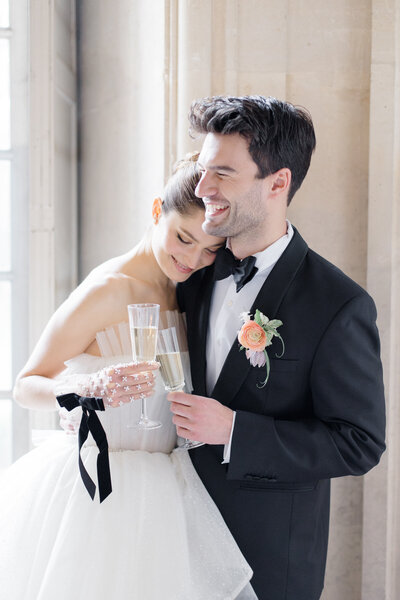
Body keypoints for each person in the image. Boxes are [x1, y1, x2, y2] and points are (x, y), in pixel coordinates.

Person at [0, 154, 257, 600]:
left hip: (167, 495)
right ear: (157, 211)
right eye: (182, 238)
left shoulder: (186, 294)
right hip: (102, 494)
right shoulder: (108, 289)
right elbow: (26, 384)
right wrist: (84, 390)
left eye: (209, 249)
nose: (193, 258)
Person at [169, 96, 386, 600]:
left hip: (267, 561)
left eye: (223, 173)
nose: (203, 189)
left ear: (278, 183)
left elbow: (359, 443)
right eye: (203, 171)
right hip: (173, 542)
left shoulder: (339, 304)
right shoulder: (191, 275)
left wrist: (236, 431)